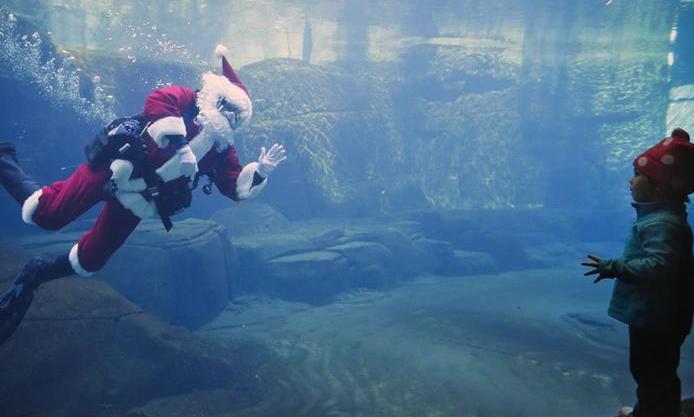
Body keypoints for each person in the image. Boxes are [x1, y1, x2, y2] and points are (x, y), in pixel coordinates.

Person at [0, 45, 286, 345]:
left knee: (91, 259)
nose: (229, 116)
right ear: (218, 94)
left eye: (236, 115)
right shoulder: (189, 100)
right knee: (48, 214)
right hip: (115, 168)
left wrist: (260, 172)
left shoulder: (222, 147)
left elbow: (233, 186)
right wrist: (181, 146)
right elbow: (159, 101)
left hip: (141, 199)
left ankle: (35, 274)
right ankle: (4, 159)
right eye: (228, 107)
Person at [581, 128, 694, 417]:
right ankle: (650, 410)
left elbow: (661, 267)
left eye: (637, 175)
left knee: (651, 371)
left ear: (660, 186)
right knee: (655, 370)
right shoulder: (662, 219)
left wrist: (614, 267)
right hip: (659, 315)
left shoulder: (663, 224)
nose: (631, 181)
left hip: (655, 316)